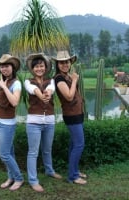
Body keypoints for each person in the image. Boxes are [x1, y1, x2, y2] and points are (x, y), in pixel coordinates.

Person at [25, 53, 62, 192]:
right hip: (34, 122)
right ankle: (33, 180)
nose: (39, 68)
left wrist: (47, 93)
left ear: (45, 68)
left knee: (47, 149)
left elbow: (51, 89)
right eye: (36, 66)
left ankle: (49, 170)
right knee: (33, 152)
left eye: (42, 66)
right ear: (32, 69)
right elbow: (32, 90)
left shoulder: (50, 80)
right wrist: (41, 95)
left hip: (50, 121)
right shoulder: (28, 81)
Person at [52, 50, 87, 185]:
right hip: (71, 116)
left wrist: (73, 80)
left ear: (70, 62)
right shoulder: (59, 78)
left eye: (66, 62)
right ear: (57, 64)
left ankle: (75, 171)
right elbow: (69, 96)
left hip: (77, 113)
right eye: (61, 62)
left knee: (74, 144)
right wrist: (75, 80)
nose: (64, 64)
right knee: (79, 144)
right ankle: (72, 176)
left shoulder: (67, 76)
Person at [0, 54, 24, 191]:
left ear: (13, 67)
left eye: (7, 66)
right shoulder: (1, 81)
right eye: (2, 66)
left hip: (7, 124)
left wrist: (4, 87)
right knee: (9, 153)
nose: (4, 68)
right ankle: (10, 177)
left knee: (4, 154)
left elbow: (15, 101)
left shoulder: (16, 83)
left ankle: (19, 178)